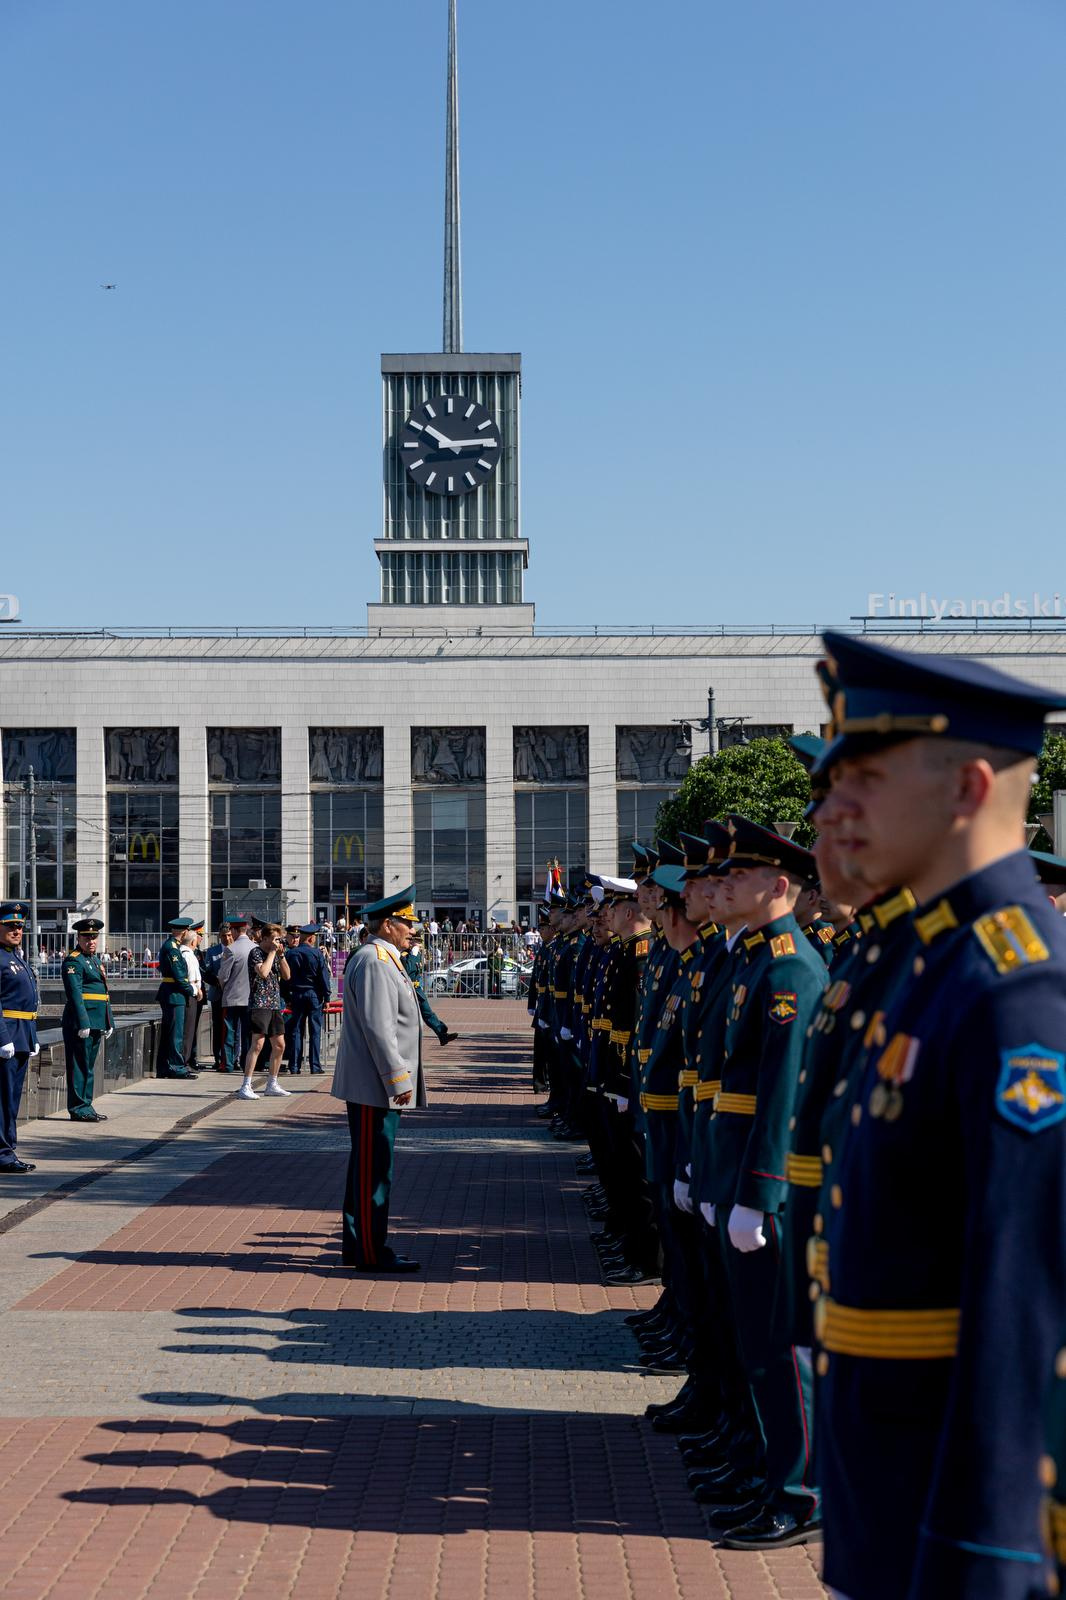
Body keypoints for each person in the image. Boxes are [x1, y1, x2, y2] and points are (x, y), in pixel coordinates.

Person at [811, 629, 1066, 1600]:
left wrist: (984, 1556)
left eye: (866, 777)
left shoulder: (1014, 987)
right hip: (884, 1470)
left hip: (944, 1506)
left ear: (965, 787)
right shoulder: (935, 964)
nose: (838, 806)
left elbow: (1019, 1311)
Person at [332, 886, 426, 1272]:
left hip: (374, 1085)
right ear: (387, 925)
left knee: (368, 1167)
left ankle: (360, 1245)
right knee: (374, 1170)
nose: (411, 931)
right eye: (406, 924)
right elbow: (379, 1027)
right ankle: (371, 1253)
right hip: (375, 1086)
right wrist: (397, 1078)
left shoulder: (382, 956)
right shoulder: (375, 960)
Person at [62, 917, 115, 1121]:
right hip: (81, 1023)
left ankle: (86, 1105)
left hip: (97, 1020)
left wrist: (109, 1020)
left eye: (94, 937)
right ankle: (77, 1108)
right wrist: (83, 1022)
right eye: (87, 937)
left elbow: (104, 993)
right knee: (79, 1066)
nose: (91, 941)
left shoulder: (94, 959)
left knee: (88, 1067)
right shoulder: (74, 960)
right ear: (79, 937)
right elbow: (75, 994)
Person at [0, 901, 39, 1172]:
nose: (16, 930)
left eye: (20, 927)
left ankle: (8, 1149)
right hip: (8, 1035)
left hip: (22, 1034)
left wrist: (32, 1035)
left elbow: (28, 1002)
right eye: (10, 926)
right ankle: (3, 1154)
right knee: (3, 1098)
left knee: (12, 1097)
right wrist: (2, 1037)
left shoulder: (16, 958)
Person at [237, 922, 291, 1100]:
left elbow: (287, 975)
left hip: (274, 1004)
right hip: (259, 1004)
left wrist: (281, 956)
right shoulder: (256, 953)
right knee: (258, 1044)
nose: (278, 942)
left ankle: (272, 1083)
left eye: (279, 939)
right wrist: (273, 953)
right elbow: (263, 973)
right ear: (265, 938)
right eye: (275, 939)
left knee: (279, 1045)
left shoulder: (274, 954)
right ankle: (246, 1085)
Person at [283, 923, 333, 1074]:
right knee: (315, 1031)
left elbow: (285, 978)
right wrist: (327, 997)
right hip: (314, 996)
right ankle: (315, 1066)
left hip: (296, 995)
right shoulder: (317, 954)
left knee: (296, 1031)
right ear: (311, 938)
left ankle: (294, 1066)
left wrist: (287, 997)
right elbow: (324, 977)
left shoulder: (290, 954)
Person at [155, 917, 197, 1080]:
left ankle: (167, 1067)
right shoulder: (172, 948)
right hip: (174, 994)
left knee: (171, 1032)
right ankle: (176, 1067)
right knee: (176, 1033)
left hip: (173, 993)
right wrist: (191, 990)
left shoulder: (173, 946)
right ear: (185, 931)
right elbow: (179, 975)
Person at [402, 936, 458, 1048]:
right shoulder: (405, 955)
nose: (420, 945)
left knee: (428, 1013)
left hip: (417, 990)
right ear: (412, 942)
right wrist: (413, 955)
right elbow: (408, 970)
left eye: (421, 942)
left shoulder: (416, 954)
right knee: (409, 1019)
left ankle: (442, 1034)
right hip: (408, 990)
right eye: (418, 942)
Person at [218, 914, 255, 1073]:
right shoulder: (255, 948)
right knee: (247, 1034)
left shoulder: (230, 950)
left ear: (233, 930)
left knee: (229, 1033)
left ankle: (228, 1064)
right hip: (250, 998)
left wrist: (223, 986)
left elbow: (223, 976)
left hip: (232, 998)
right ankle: (246, 1062)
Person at [199, 922, 232, 1069]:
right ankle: (218, 1058)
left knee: (233, 1028)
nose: (227, 938)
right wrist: (217, 982)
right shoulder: (212, 952)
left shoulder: (237, 949)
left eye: (229, 935)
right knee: (218, 1027)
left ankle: (232, 1058)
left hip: (234, 995)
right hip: (218, 994)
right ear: (219, 936)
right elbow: (206, 973)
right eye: (224, 936)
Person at [180, 922, 205, 1070]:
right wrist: (197, 990)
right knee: (187, 1031)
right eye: (199, 936)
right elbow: (191, 978)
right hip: (191, 995)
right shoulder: (188, 955)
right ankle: (185, 1061)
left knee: (190, 1031)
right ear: (193, 940)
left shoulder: (190, 953)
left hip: (193, 994)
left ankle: (187, 1059)